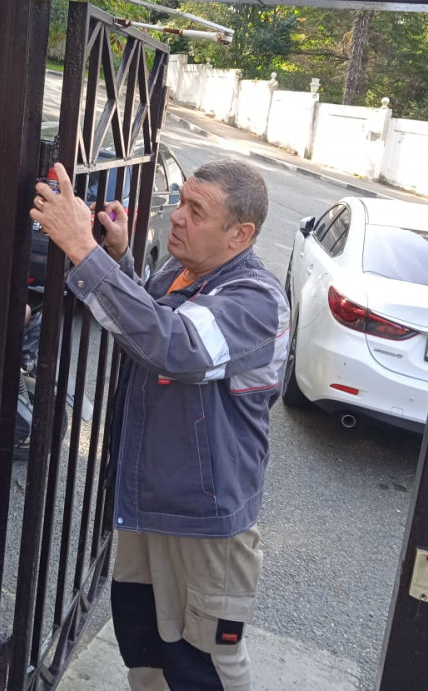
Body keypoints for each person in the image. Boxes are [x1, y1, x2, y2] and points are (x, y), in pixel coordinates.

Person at [30, 157, 289, 691]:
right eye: (182, 201)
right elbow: (147, 323)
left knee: (204, 665)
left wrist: (81, 249)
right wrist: (117, 258)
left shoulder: (259, 301)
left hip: (204, 522)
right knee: (144, 645)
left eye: (197, 210)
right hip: (150, 504)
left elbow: (177, 346)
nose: (177, 216)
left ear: (240, 235)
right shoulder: (181, 270)